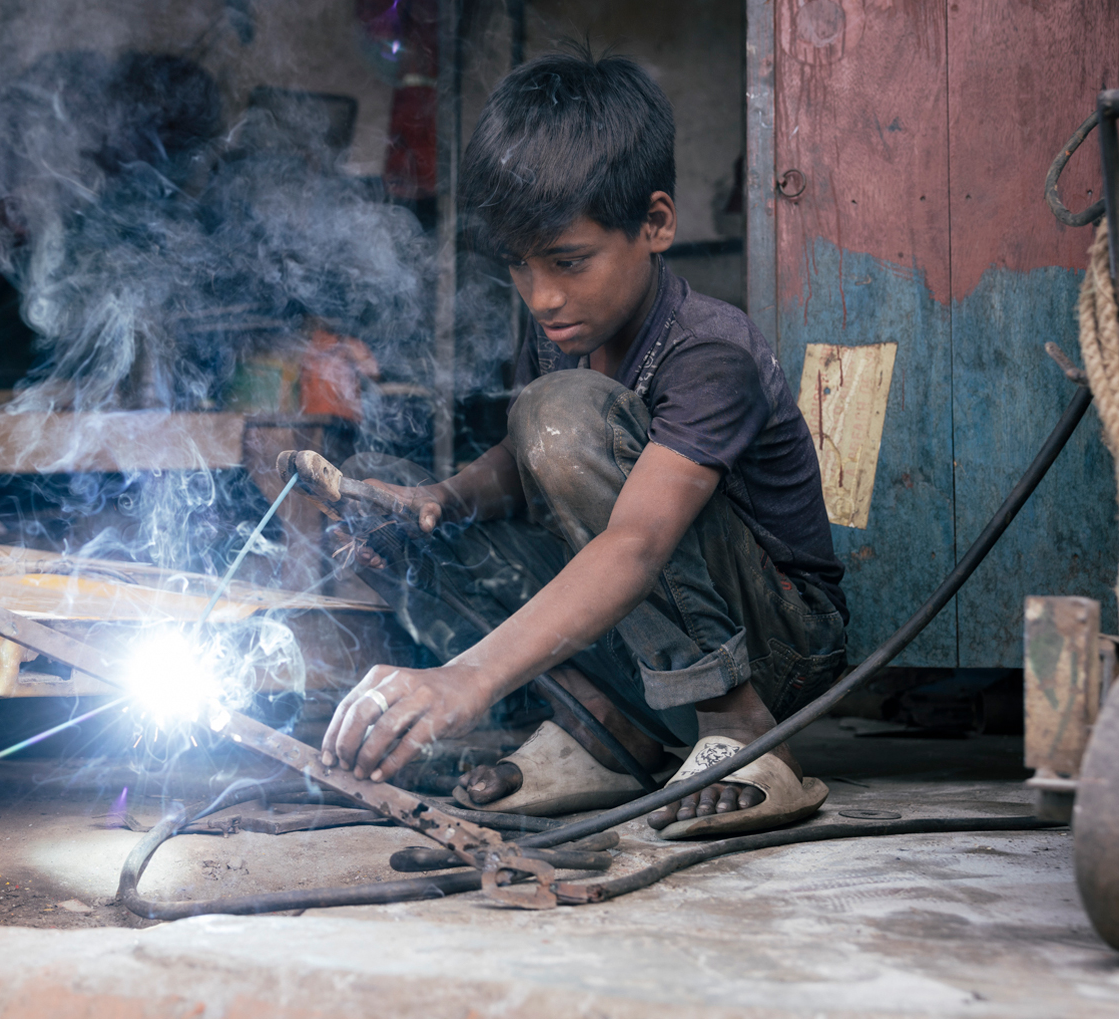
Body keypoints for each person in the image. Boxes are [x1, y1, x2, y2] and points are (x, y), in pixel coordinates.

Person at [319, 47, 848, 839]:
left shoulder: (710, 353)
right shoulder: (568, 327)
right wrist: (441, 500)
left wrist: (466, 678)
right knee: (402, 518)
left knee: (558, 414)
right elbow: (521, 462)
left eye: (568, 262)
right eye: (521, 268)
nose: (543, 296)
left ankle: (738, 729)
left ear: (656, 224)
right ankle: (608, 726)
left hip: (779, 648)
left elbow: (636, 540)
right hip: (644, 639)